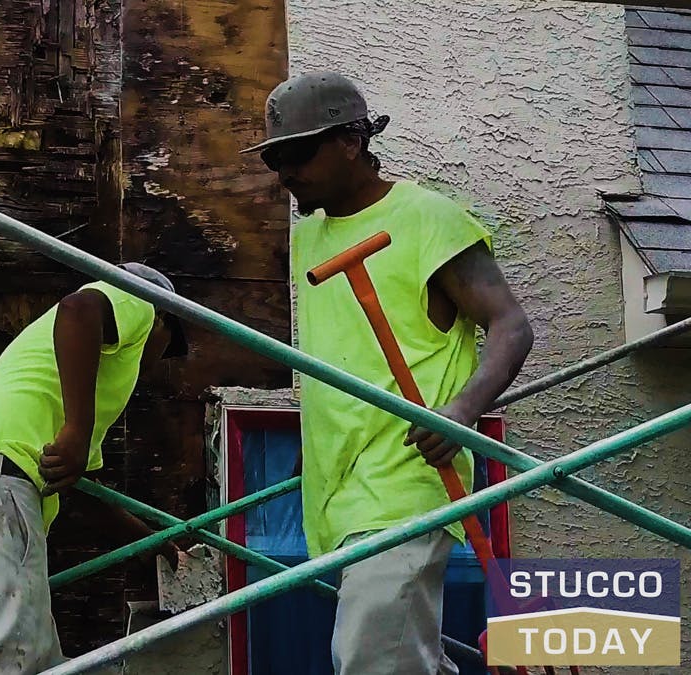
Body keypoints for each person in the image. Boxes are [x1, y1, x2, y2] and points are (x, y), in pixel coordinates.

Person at [242, 71, 534, 674]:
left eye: (296, 155)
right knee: (399, 656)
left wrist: (460, 412)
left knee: (373, 659)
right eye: (275, 159)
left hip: (406, 475)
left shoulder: (430, 218)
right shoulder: (308, 240)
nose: (284, 173)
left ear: (351, 141)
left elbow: (511, 326)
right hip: (335, 488)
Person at [0, 263, 190, 674]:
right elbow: (78, 308)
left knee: (35, 662)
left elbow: (82, 492)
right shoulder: (140, 303)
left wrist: (153, 544)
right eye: (167, 347)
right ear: (163, 320)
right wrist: (77, 429)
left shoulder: (77, 385)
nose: (158, 361)